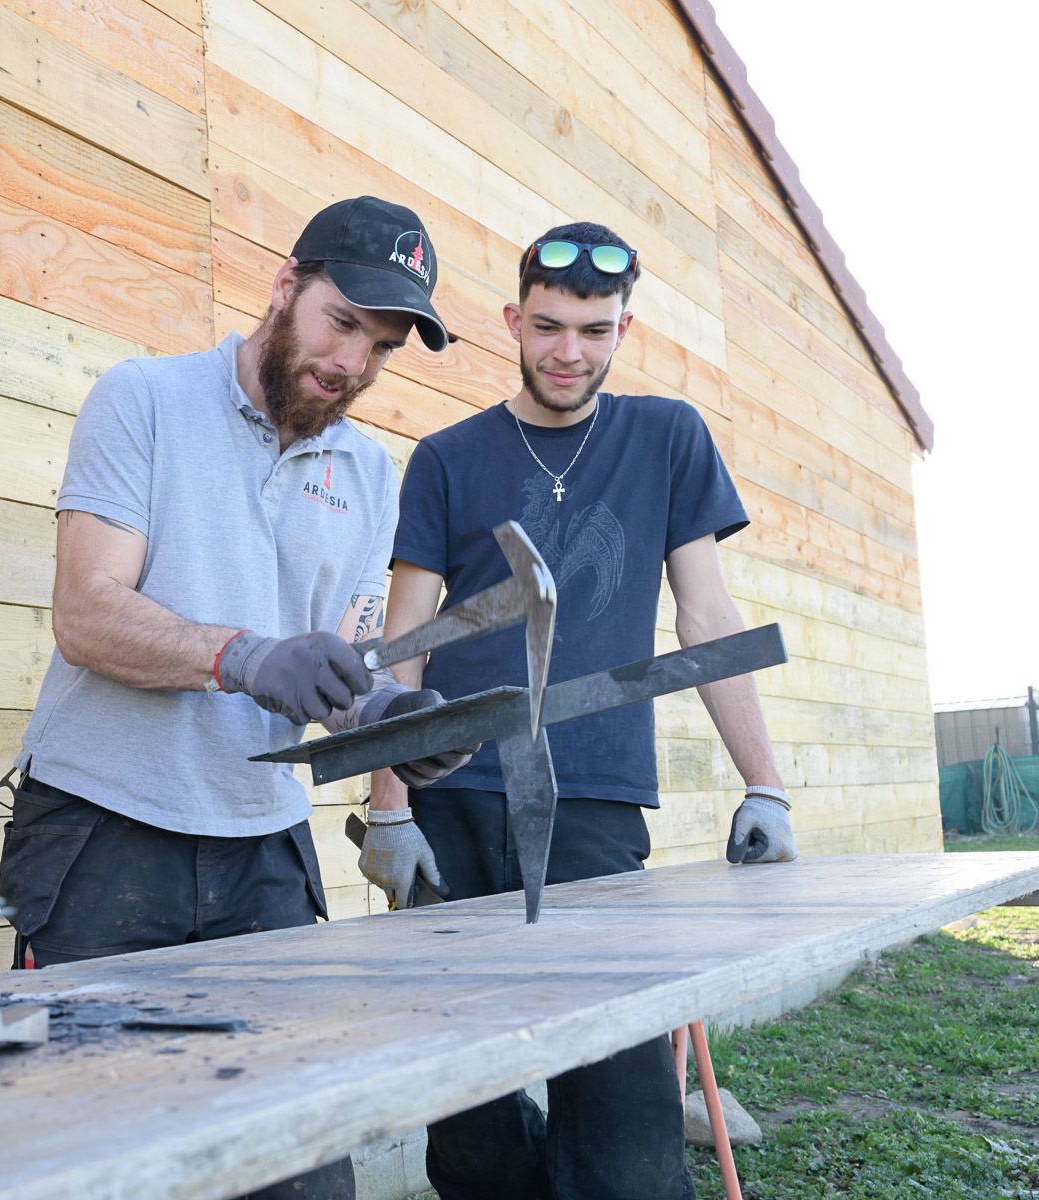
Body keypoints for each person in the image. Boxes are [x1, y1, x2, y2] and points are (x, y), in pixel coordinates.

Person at [0, 197, 474, 1200]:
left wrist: (386, 721)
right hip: (101, 835)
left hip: (264, 845)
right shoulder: (143, 401)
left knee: (298, 1170)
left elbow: (340, 658)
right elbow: (86, 614)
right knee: (99, 1163)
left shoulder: (368, 471)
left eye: (382, 348)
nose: (354, 363)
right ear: (284, 285)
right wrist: (242, 657)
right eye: (343, 322)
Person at [363, 220, 797, 1199]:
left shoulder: (670, 437)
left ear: (623, 330)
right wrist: (389, 809)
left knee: (625, 1122)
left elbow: (707, 613)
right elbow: (405, 647)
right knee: (469, 1128)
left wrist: (765, 788)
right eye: (550, 327)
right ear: (514, 321)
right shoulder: (446, 457)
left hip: (594, 804)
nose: (570, 353)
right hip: (455, 804)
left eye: (595, 332)